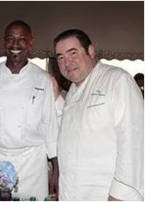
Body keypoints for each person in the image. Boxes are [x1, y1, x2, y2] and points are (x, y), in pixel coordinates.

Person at [54, 29, 144, 200]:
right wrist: (56, 98)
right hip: (73, 192)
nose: (67, 62)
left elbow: (134, 142)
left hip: (106, 193)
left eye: (73, 53)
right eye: (60, 57)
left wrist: (119, 196)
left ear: (91, 51)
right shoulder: (73, 89)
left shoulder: (117, 80)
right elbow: (72, 132)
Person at [0, 20, 59, 200]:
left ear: (31, 42)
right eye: (10, 39)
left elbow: (51, 126)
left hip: (33, 162)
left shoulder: (43, 79)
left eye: (22, 39)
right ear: (4, 41)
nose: (15, 44)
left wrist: (56, 170)